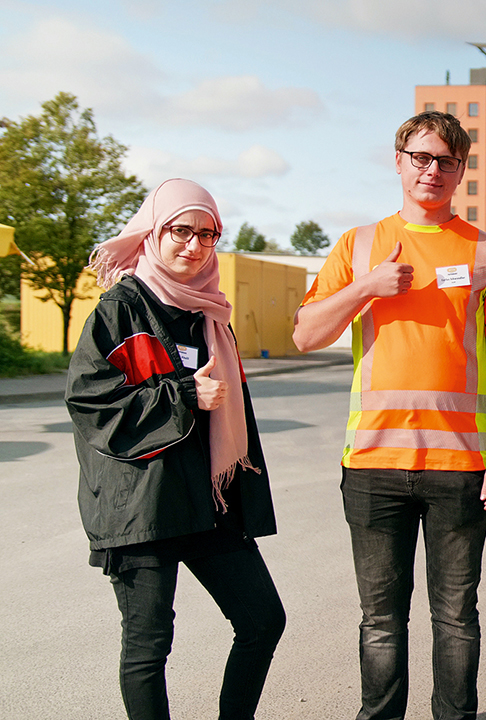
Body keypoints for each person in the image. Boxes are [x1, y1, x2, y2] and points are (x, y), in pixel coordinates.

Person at [292, 111, 486, 720]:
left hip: (462, 467)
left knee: (456, 617)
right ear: (398, 161)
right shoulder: (359, 246)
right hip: (373, 464)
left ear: (461, 170)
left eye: (446, 160)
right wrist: (366, 287)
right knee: (380, 620)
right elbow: (306, 335)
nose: (432, 170)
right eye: (421, 157)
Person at [66, 178, 285, 720]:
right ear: (153, 233)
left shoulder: (210, 315)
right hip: (143, 504)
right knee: (148, 646)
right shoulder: (121, 309)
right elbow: (91, 402)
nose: (194, 245)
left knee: (262, 620)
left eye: (207, 235)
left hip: (208, 503)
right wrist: (184, 395)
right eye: (181, 231)